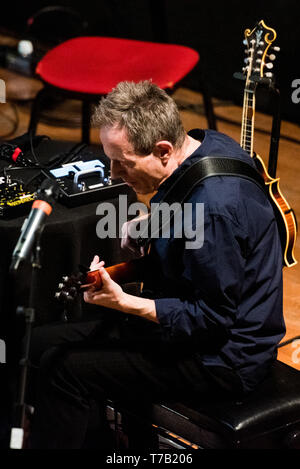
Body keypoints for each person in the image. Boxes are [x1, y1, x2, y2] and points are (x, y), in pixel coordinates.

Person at [28, 80, 285, 449]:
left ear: (163, 150)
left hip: (224, 359)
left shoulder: (213, 212)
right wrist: (151, 225)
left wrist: (125, 303)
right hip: (193, 322)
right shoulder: (205, 145)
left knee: (65, 370)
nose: (114, 173)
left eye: (122, 162)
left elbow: (212, 320)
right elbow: (186, 201)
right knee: (38, 343)